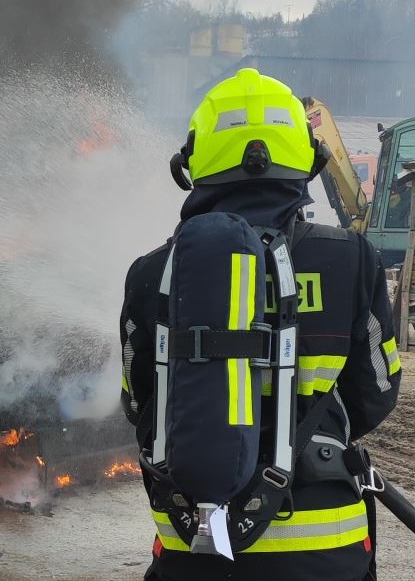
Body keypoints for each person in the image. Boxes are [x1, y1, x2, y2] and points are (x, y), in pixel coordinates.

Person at [120, 68, 401, 581]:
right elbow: (377, 392)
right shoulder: (353, 259)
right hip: (326, 546)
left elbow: (139, 403)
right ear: (307, 157)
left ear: (193, 161)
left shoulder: (149, 275)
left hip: (194, 546)